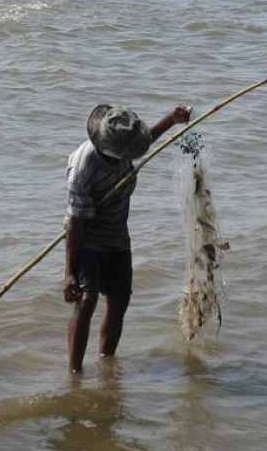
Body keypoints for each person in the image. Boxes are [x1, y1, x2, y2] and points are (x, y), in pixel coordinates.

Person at [63, 102, 192, 374]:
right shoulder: (83, 166)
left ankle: (106, 363)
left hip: (118, 236)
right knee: (86, 300)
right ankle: (75, 372)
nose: (128, 157)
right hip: (86, 237)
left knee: (120, 299)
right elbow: (76, 222)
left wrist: (172, 118)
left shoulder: (125, 146)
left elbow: (147, 139)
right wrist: (70, 272)